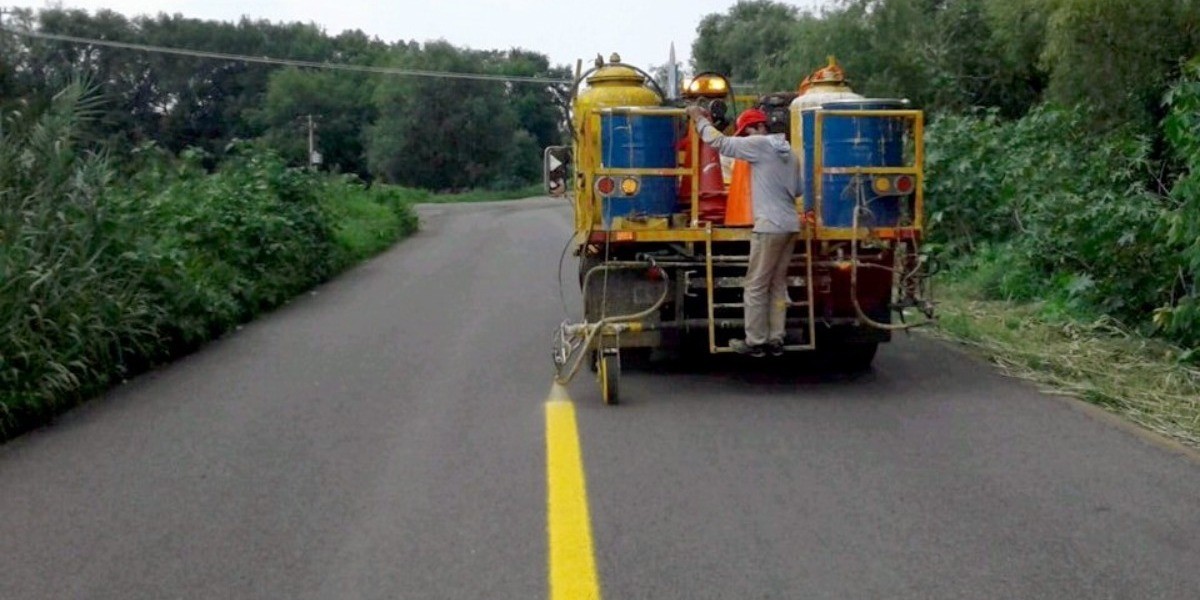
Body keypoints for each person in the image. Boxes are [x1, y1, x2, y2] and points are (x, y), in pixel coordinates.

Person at [685, 105, 801, 357]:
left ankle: (756, 341)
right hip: (791, 224)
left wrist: (699, 120)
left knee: (756, 284)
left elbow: (720, 143)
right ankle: (776, 338)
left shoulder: (758, 143)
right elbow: (799, 189)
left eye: (745, 133)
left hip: (769, 226)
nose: (744, 140)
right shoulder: (789, 151)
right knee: (777, 283)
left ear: (756, 128)